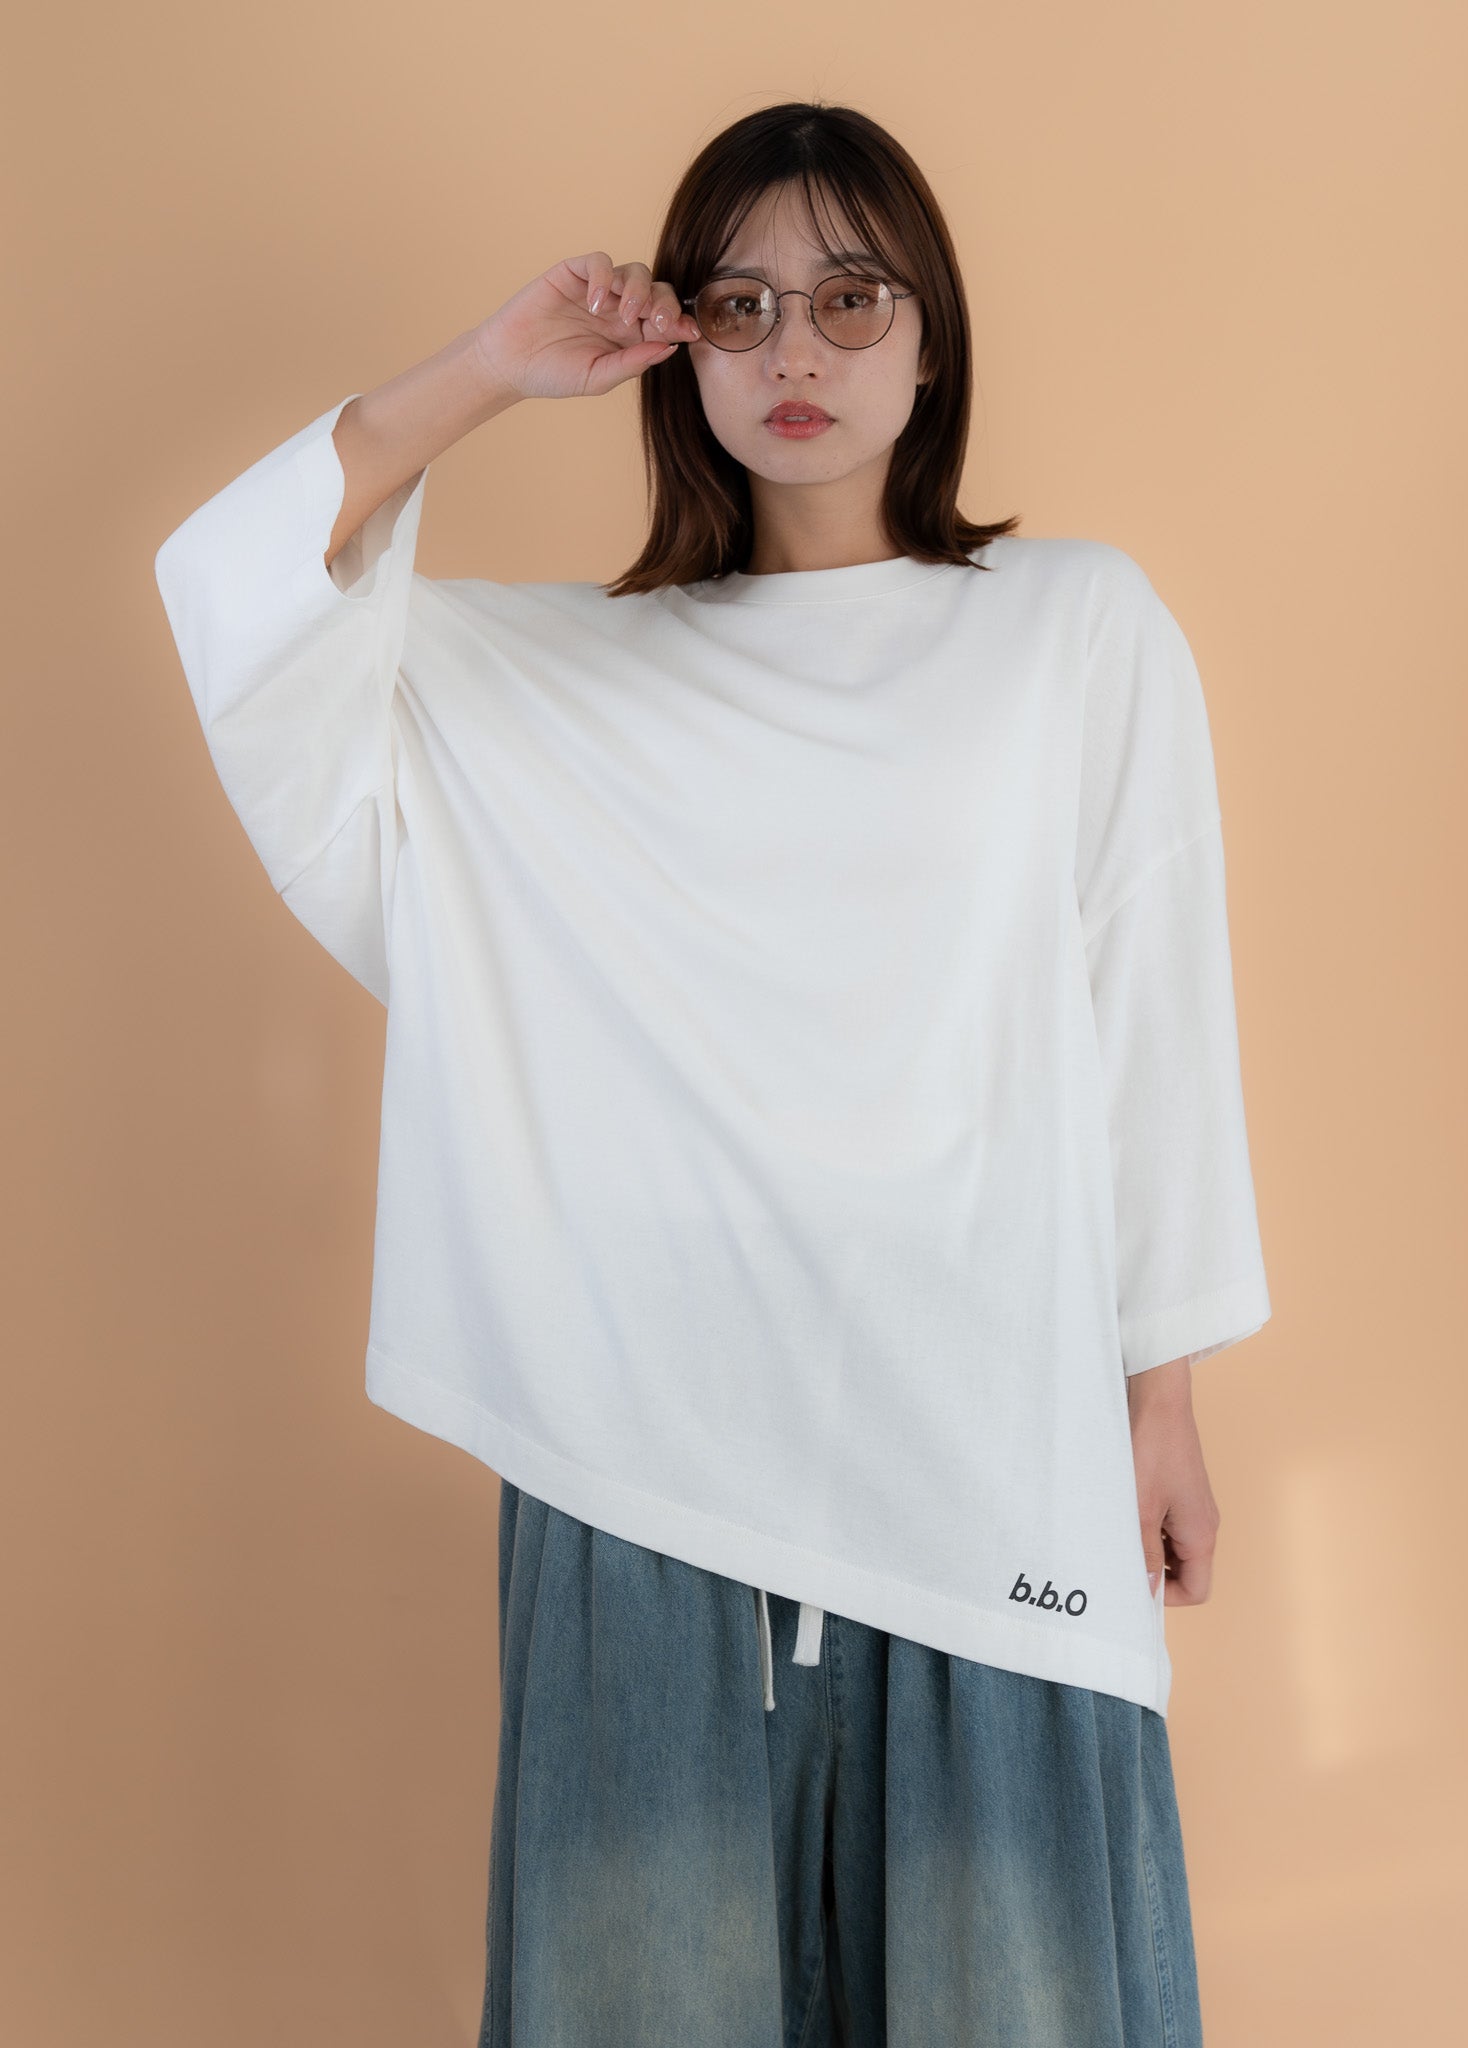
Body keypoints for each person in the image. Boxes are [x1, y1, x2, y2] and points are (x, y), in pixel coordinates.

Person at [155, 99, 1270, 2048]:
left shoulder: (1074, 628)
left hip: (986, 1427)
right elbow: (242, 597)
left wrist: (1156, 1393)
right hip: (638, 1455)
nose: (794, 350)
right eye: (738, 305)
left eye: (851, 297)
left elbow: (1149, 1006)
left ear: (930, 336)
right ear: (676, 347)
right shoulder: (552, 683)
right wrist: (488, 371)